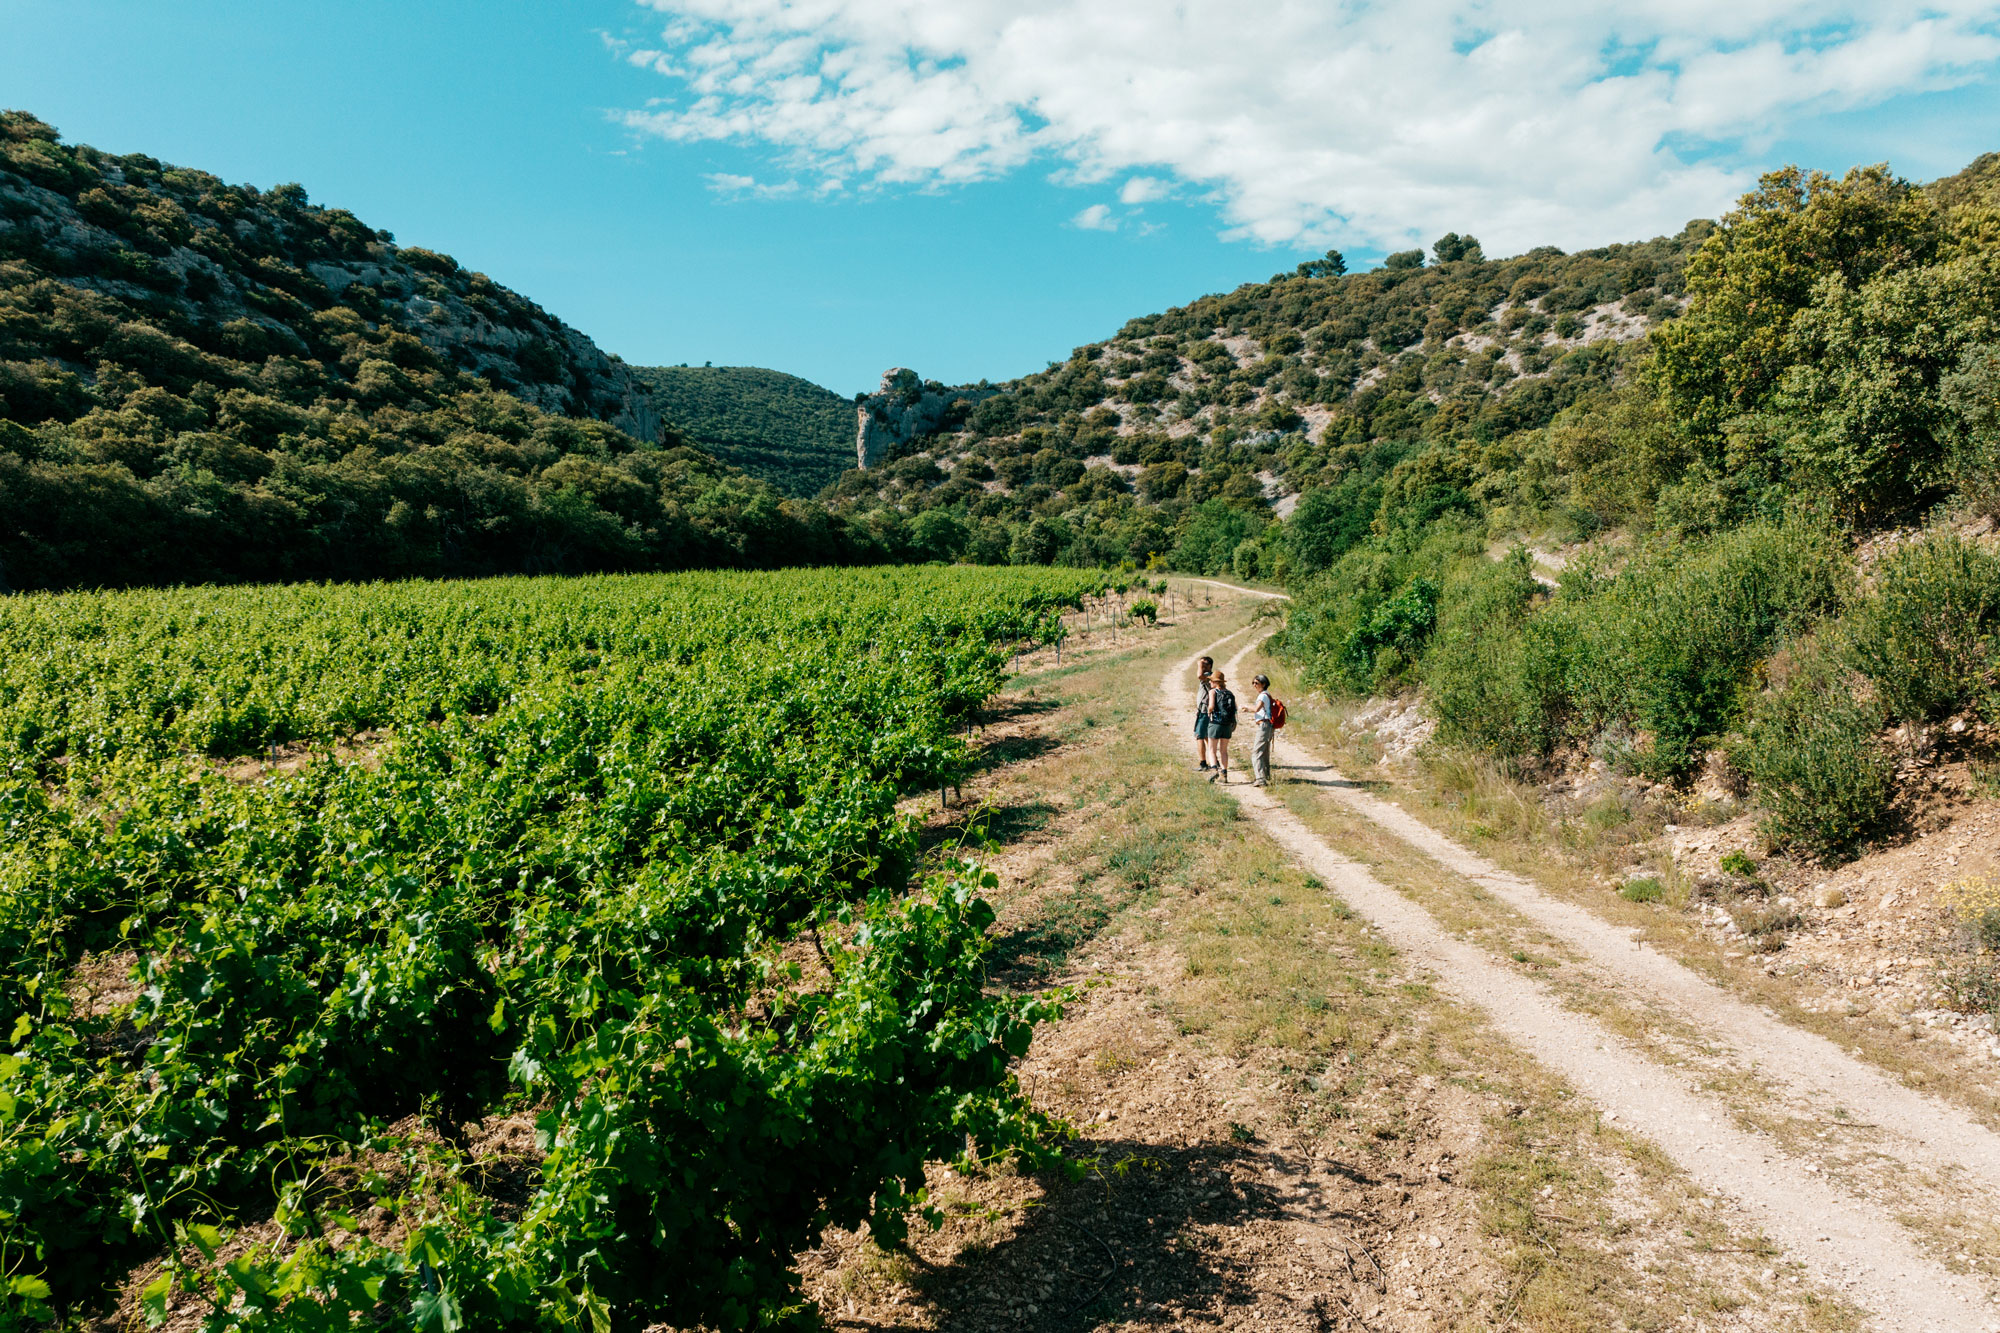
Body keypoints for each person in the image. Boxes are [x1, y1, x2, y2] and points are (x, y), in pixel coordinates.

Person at [1206, 670, 1237, 782]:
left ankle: (1214, 770)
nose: (1210, 683)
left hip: (1215, 723)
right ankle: (1224, 773)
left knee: (1212, 750)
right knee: (1224, 751)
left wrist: (1208, 712)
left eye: (1211, 681)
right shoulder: (1229, 693)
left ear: (1215, 682)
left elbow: (1211, 706)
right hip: (1227, 725)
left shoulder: (1213, 692)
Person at [1249, 673, 1274, 787]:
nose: (1254, 685)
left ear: (1263, 684)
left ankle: (1260, 778)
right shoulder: (1267, 694)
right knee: (1264, 752)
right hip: (1268, 725)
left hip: (1264, 725)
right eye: (1253, 683)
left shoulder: (1262, 696)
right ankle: (1266, 775)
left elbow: (1256, 708)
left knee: (1256, 752)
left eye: (1257, 683)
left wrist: (1246, 708)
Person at [1193, 656, 1215, 770]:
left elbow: (1199, 675)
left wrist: (1199, 664)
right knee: (1207, 737)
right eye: (1202, 664)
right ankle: (1214, 761)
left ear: (1210, 666)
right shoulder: (1210, 677)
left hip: (1204, 711)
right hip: (1204, 710)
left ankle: (1203, 763)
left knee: (1199, 736)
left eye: (1205, 664)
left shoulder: (1208, 676)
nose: (1203, 666)